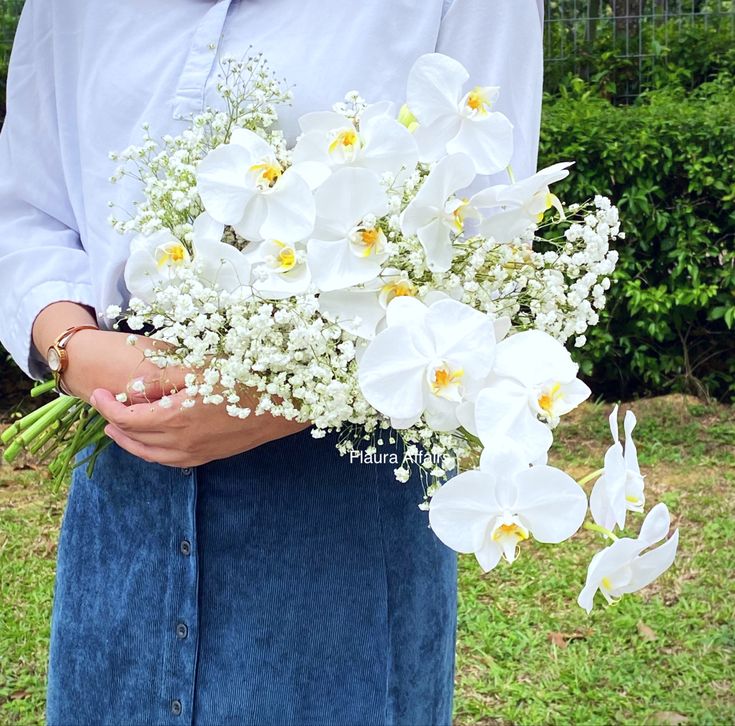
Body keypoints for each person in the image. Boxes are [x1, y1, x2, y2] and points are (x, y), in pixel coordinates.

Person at [0, 0, 545, 723]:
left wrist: (280, 393)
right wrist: (72, 346)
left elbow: (484, 233)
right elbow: (26, 207)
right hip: (123, 461)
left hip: (340, 476)